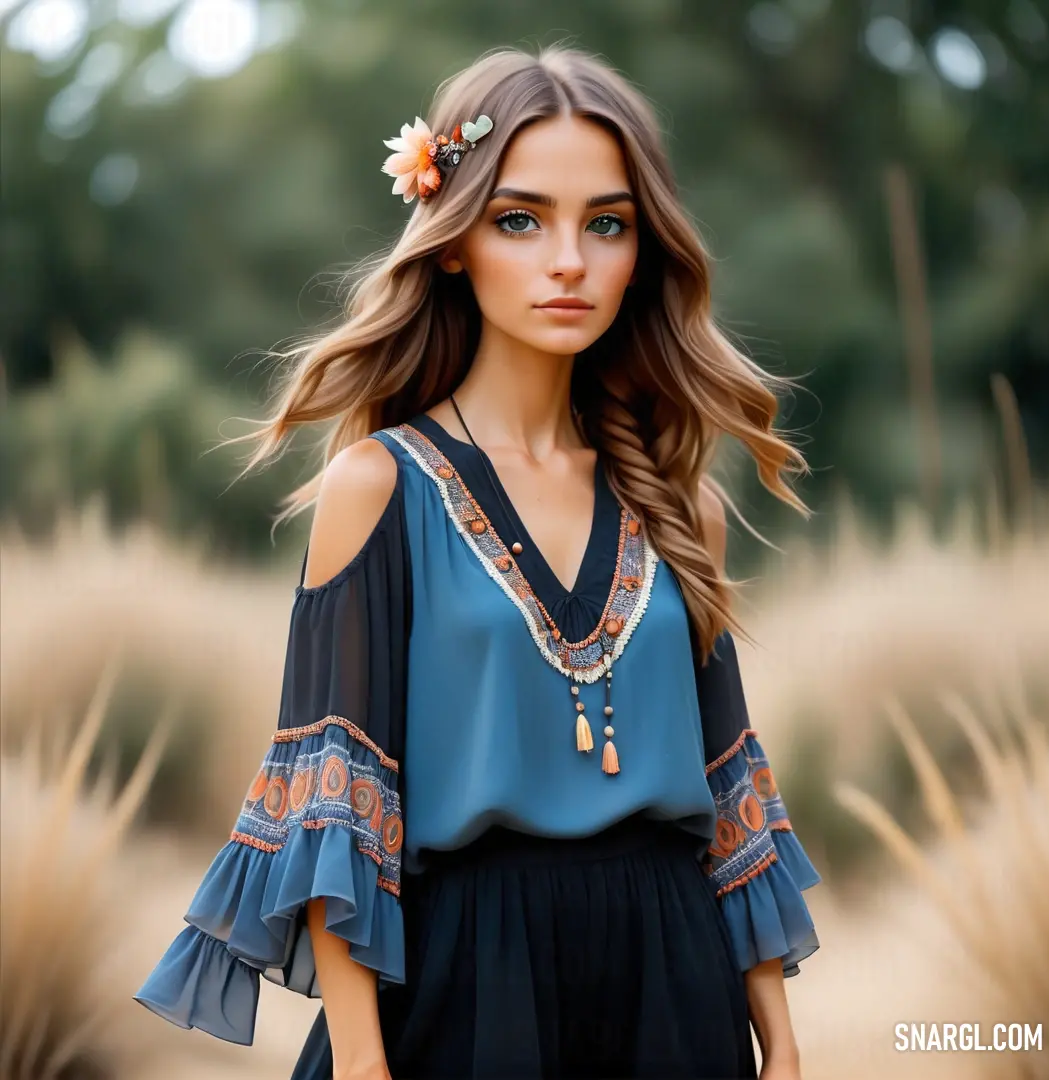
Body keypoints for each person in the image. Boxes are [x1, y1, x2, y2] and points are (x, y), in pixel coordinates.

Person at [134, 44, 821, 1080]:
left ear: (644, 249)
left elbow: (730, 793)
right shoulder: (379, 487)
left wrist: (781, 1042)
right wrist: (363, 1065)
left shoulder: (683, 507)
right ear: (452, 241)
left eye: (607, 223)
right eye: (519, 219)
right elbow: (335, 801)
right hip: (465, 980)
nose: (567, 262)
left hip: (675, 987)